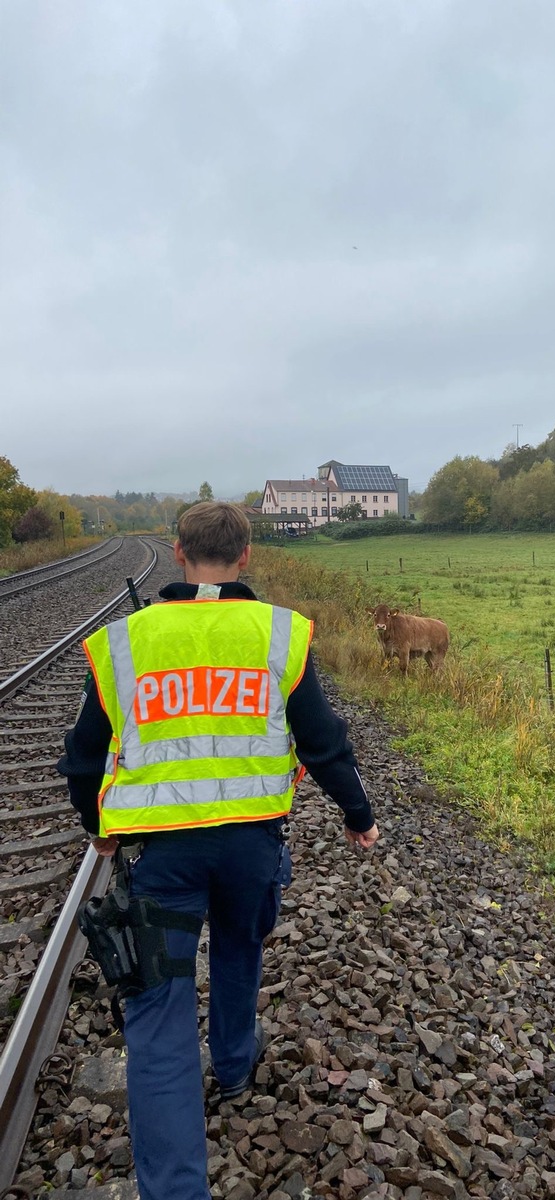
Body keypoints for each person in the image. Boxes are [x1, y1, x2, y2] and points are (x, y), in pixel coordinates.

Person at [58, 501, 378, 1200]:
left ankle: (175, 1189)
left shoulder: (125, 641)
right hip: (249, 851)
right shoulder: (278, 634)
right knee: (239, 949)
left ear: (176, 553)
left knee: (160, 1021)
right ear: (246, 556)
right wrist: (358, 814)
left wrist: (98, 826)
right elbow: (322, 738)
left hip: (165, 863)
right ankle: (234, 1067)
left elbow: (83, 758)